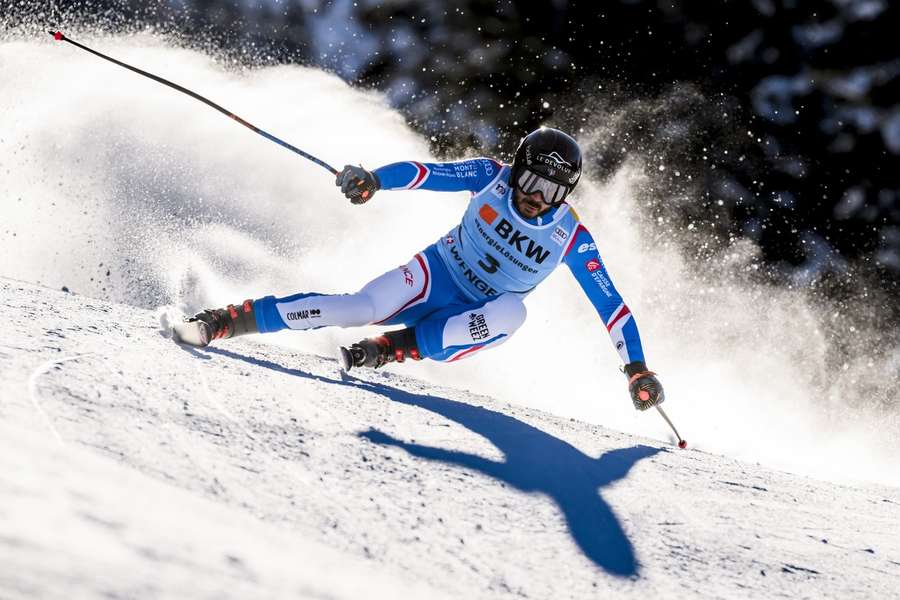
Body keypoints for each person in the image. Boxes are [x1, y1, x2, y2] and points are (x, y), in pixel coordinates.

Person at [173, 127, 665, 411]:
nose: (538, 198)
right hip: (435, 274)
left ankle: (394, 350)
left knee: (514, 312)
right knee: (357, 307)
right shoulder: (489, 177)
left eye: (554, 191)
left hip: (473, 322)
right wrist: (374, 181)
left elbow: (612, 308)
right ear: (517, 170)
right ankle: (225, 321)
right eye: (533, 181)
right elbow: (427, 174)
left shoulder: (571, 238)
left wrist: (635, 370)